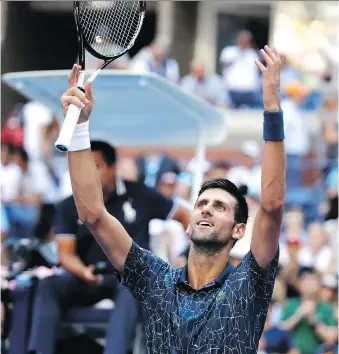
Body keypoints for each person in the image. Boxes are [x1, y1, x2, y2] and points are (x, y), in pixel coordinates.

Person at [60, 45, 285, 353]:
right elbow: (93, 216)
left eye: (220, 206)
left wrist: (272, 110)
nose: (206, 209)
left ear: (238, 230)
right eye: (201, 203)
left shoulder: (248, 283)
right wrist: (78, 127)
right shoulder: (155, 278)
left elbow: (272, 206)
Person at [27, 141, 190, 354]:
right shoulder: (68, 206)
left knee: (131, 285)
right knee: (48, 286)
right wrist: (83, 272)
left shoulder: (140, 194)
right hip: (88, 275)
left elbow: (184, 215)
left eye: (96, 166)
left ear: (113, 168)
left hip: (131, 277)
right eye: (84, 168)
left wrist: (188, 256)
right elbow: (65, 254)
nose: (89, 174)